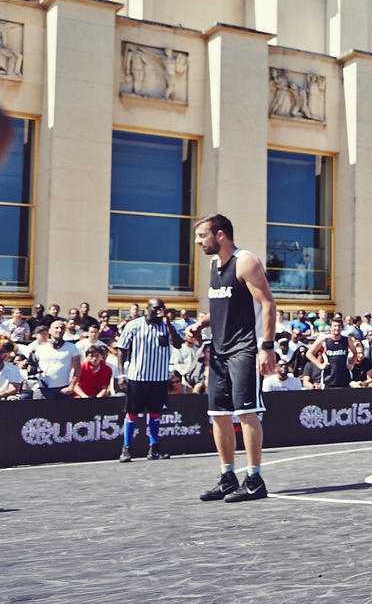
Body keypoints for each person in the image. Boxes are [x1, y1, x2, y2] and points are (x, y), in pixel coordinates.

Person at [193, 214, 278, 503]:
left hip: (245, 348)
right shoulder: (213, 264)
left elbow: (268, 303)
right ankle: (227, 477)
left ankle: (254, 479)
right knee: (218, 415)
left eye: (202, 236)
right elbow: (223, 305)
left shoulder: (246, 262)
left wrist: (267, 347)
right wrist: (201, 323)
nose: (197, 242)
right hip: (218, 349)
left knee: (246, 412)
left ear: (220, 235)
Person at [114, 299, 179, 461]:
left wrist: (169, 325)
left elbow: (178, 344)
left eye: (162, 308)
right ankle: (126, 448)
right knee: (132, 413)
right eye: (156, 308)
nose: (159, 311)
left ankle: (154, 447)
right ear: (147, 308)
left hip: (159, 378)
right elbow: (122, 349)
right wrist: (121, 375)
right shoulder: (134, 325)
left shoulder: (167, 326)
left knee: (155, 413)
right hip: (138, 377)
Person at [32, 319, 81, 398]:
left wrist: (72, 386)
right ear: (50, 331)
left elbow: (77, 368)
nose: (59, 330)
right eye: (56, 328)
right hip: (42, 389)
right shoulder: (40, 348)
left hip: (63, 389)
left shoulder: (72, 347)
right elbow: (32, 366)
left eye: (62, 328)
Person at [307, 312, 354, 389]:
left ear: (342, 327)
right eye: (335, 326)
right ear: (330, 327)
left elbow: (355, 353)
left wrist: (352, 364)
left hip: (344, 378)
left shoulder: (347, 339)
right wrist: (319, 365)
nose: (337, 328)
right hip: (328, 379)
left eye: (339, 326)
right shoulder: (324, 339)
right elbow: (309, 353)